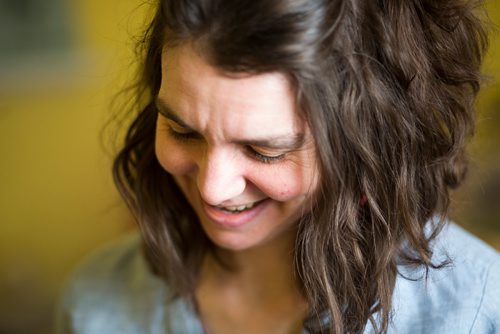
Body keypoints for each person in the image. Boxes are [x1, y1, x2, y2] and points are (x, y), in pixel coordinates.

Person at [56, 0, 500, 333]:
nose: (214, 188)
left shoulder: (474, 310)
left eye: (266, 150)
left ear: (369, 145)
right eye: (182, 131)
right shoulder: (95, 301)